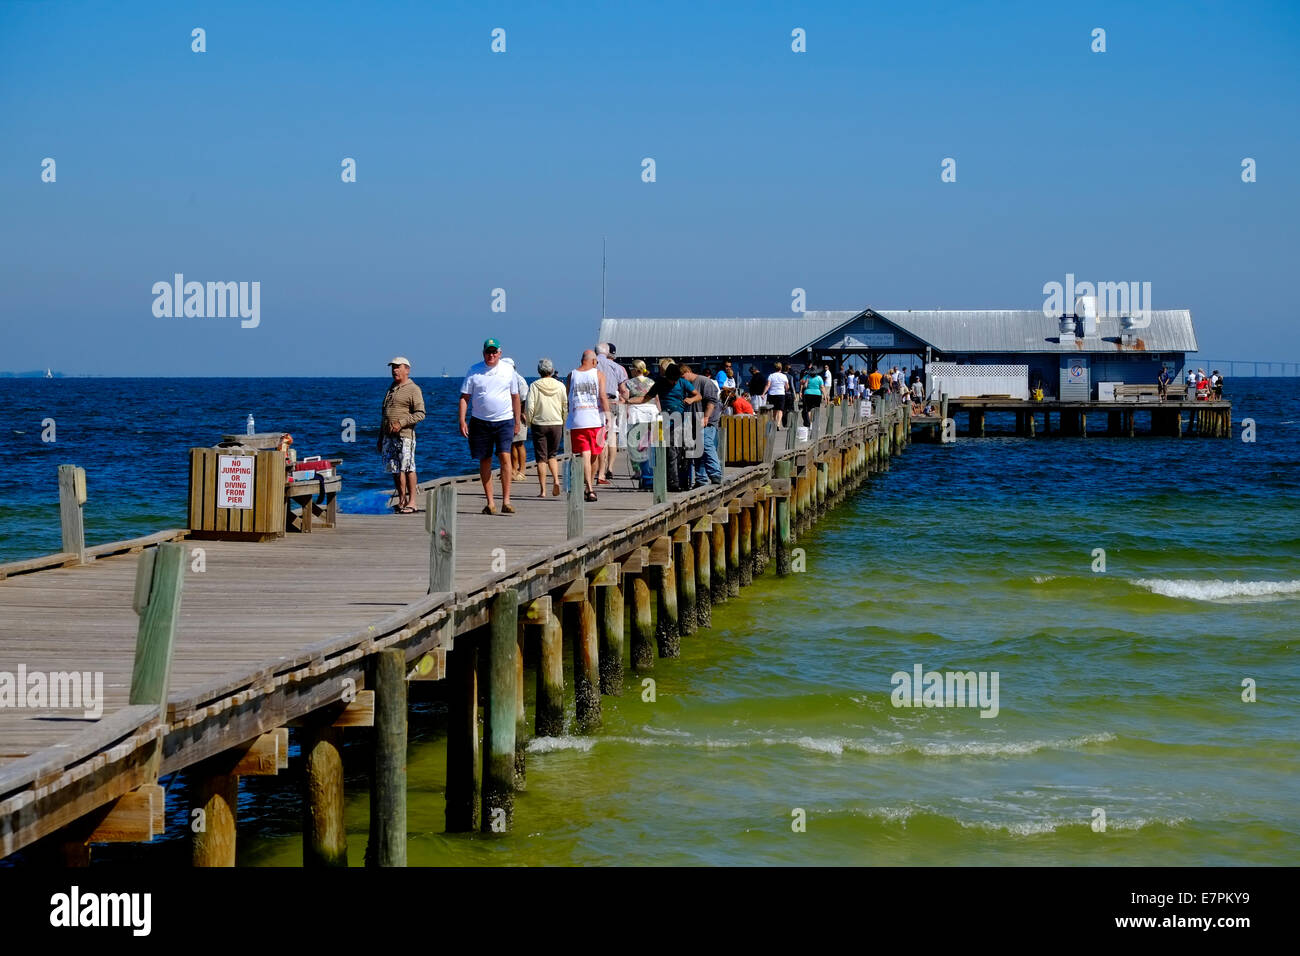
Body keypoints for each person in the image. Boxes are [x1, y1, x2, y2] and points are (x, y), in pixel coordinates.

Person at [459, 338, 522, 515]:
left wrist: (517, 421)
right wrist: (462, 420)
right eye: (488, 352)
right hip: (480, 421)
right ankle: (490, 502)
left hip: (504, 420)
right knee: (485, 459)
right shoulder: (474, 371)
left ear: (500, 353)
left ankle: (506, 501)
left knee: (505, 456)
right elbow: (465, 397)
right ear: (483, 353)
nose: (491, 355)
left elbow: (515, 396)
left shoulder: (508, 370)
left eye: (494, 352)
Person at [379, 356, 426, 514]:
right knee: (394, 469)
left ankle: (412, 502)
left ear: (407, 369)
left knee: (408, 467)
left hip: (405, 435)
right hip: (388, 437)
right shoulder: (391, 388)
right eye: (393, 367)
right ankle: (401, 500)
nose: (394, 370)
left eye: (398, 367)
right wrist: (380, 438)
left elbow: (420, 414)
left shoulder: (413, 389)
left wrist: (402, 423)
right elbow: (384, 415)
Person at [566, 349, 611, 501]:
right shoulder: (598, 374)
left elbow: (568, 397)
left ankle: (588, 487)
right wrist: (608, 416)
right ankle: (590, 488)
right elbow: (603, 396)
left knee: (587, 453)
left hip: (578, 419)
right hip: (595, 420)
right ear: (593, 361)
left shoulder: (571, 375)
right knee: (593, 454)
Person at [526, 357, 567, 497]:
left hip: (539, 423)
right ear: (552, 370)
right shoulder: (560, 385)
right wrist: (563, 420)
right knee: (553, 455)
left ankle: (543, 490)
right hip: (556, 423)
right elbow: (565, 405)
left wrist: (529, 422)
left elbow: (530, 407)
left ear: (539, 371)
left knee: (541, 458)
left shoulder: (534, 386)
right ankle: (556, 480)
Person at [681, 364, 723, 487]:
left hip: (707, 420)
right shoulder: (686, 385)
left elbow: (712, 401)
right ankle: (701, 479)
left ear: (688, 371)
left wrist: (706, 417)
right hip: (693, 420)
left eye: (682, 376)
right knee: (697, 450)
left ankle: (716, 473)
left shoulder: (704, 381)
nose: (681, 379)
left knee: (706, 443)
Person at [593, 343, 628, 485]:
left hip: (596, 405)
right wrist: (624, 400)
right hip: (612, 403)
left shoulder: (591, 365)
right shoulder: (617, 367)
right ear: (608, 353)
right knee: (612, 436)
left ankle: (599, 470)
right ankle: (610, 468)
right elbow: (624, 390)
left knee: (600, 437)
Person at [623, 359, 660, 489]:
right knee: (650, 444)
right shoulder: (652, 382)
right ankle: (649, 474)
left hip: (636, 412)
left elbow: (626, 400)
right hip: (652, 412)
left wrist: (625, 412)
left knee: (635, 444)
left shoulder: (628, 383)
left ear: (634, 369)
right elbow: (656, 399)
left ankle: (639, 471)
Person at [509, 359, 529, 480]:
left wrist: (521, 412)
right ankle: (513, 469)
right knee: (512, 443)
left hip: (519, 415)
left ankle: (521, 470)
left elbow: (524, 398)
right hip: (509, 415)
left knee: (519, 443)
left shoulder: (519, 379)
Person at [762, 362, 791, 428]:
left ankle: (774, 421)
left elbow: (768, 385)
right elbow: (787, 386)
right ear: (781, 368)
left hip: (772, 394)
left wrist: (763, 393)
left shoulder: (771, 375)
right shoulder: (784, 376)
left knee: (774, 409)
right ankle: (778, 424)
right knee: (780, 410)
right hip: (781, 394)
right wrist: (786, 390)